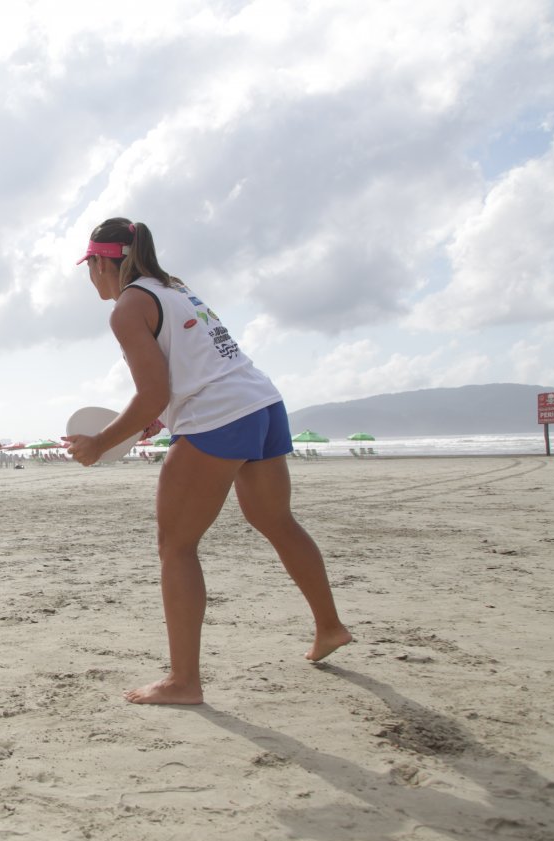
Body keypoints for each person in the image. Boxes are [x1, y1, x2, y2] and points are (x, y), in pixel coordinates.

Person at [63, 218, 351, 705]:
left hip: (218, 415)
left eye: (89, 267)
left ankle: (183, 682)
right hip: (262, 403)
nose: (90, 278)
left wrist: (99, 442)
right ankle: (330, 627)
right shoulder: (175, 289)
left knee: (176, 546)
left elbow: (154, 392)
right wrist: (155, 420)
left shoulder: (130, 306)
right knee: (276, 520)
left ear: (100, 262)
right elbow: (189, 372)